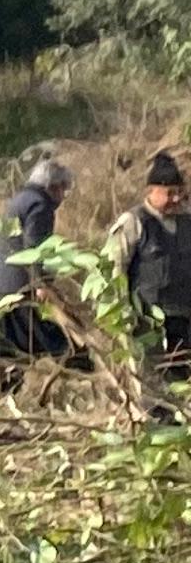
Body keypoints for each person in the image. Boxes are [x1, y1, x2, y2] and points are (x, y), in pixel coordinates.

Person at [107, 150, 191, 425]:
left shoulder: (186, 222)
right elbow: (114, 269)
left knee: (181, 375)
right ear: (151, 191)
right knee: (150, 379)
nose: (176, 199)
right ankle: (156, 425)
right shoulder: (133, 222)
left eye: (179, 193)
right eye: (169, 193)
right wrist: (122, 312)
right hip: (146, 318)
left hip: (182, 316)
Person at [0, 149, 82, 381]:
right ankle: (86, 381)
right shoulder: (40, 206)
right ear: (54, 187)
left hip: (5, 289)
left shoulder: (15, 202)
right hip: (25, 289)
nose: (63, 197)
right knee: (62, 342)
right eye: (63, 190)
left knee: (11, 349)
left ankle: (9, 392)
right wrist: (41, 284)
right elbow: (34, 249)